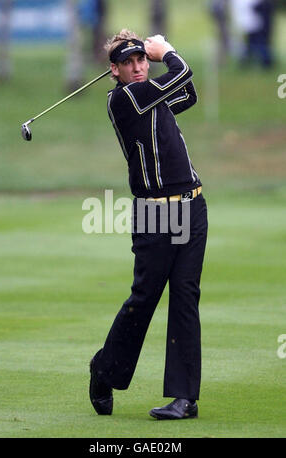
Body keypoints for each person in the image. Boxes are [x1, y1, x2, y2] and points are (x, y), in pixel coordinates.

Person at [89, 30, 208, 420]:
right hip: (155, 215)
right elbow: (182, 71)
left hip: (191, 205)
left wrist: (163, 59)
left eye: (143, 60)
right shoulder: (124, 99)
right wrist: (167, 52)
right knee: (144, 299)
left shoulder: (151, 94)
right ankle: (104, 369)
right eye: (129, 63)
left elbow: (187, 92)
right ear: (115, 71)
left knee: (186, 297)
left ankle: (183, 397)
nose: (139, 67)